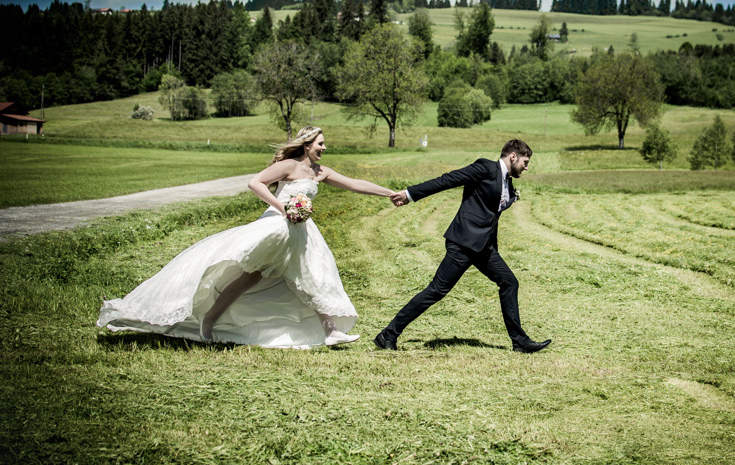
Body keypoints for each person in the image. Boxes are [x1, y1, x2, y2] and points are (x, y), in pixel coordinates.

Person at [97, 126, 396, 349]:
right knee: (249, 276)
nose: (325, 147)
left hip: (302, 230)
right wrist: (285, 208)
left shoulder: (320, 171)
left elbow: (355, 184)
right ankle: (209, 319)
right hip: (277, 225)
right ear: (306, 145)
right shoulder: (289, 166)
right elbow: (255, 183)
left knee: (314, 273)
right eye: (320, 143)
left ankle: (330, 330)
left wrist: (390, 193)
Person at [376, 139, 551, 353]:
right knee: (437, 290)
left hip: (483, 247)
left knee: (509, 282)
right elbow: (448, 180)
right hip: (464, 243)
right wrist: (410, 194)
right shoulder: (485, 167)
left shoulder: (507, 181)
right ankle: (388, 334)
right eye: (525, 161)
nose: (527, 166)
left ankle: (520, 342)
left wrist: (511, 199)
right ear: (513, 156)